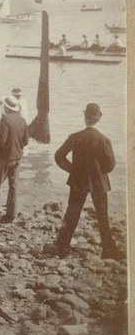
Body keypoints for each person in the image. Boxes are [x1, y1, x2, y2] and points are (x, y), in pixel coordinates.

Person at [51, 103, 121, 259]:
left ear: (85, 117)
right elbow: (111, 165)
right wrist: (100, 171)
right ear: (99, 118)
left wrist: (73, 170)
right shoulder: (104, 140)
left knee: (72, 213)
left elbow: (59, 156)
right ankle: (108, 249)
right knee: (102, 215)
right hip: (99, 182)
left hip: (78, 181)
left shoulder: (75, 137)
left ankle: (62, 246)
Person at [0, 95, 29, 223]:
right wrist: (18, 148)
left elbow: (1, 140)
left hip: (5, 158)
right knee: (13, 186)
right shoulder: (22, 120)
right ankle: (11, 215)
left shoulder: (5, 120)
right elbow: (26, 140)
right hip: (17, 157)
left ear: (6, 107)